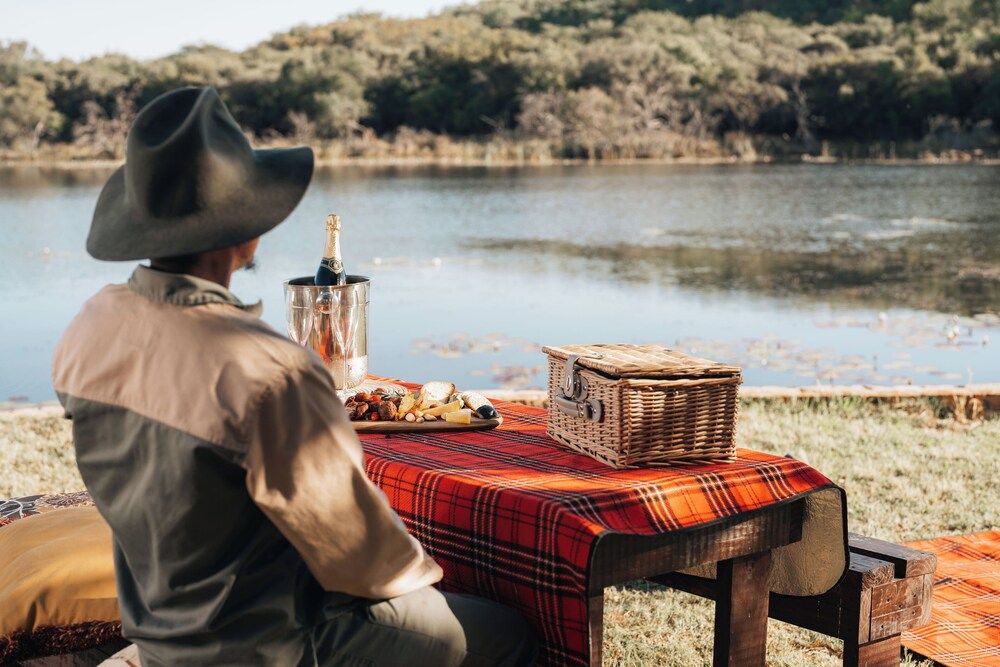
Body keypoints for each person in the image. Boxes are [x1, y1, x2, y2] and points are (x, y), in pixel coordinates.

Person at [52, 86, 537, 667]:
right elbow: (364, 560)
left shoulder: (91, 327)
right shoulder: (270, 371)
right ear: (247, 231)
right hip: (276, 645)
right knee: (506, 632)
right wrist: (431, 574)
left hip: (163, 633)